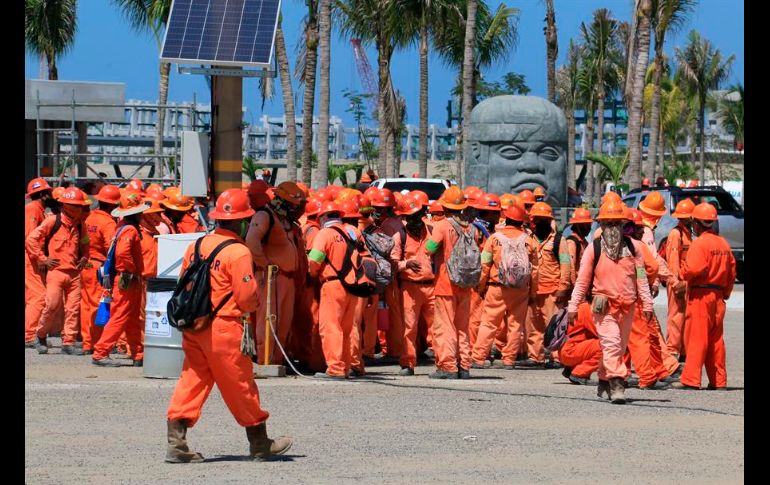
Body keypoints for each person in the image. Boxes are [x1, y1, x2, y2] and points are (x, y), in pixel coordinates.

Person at [165, 189, 292, 462]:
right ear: (243, 221)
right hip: (224, 328)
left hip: (194, 325)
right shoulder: (238, 251)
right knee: (241, 384)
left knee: (192, 380)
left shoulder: (197, 244)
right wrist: (253, 303)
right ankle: (260, 443)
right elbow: (246, 298)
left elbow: (184, 283)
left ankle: (176, 443)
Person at [567, 200, 654, 404]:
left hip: (628, 306)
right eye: (608, 223)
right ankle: (617, 385)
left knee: (619, 348)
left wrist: (647, 303)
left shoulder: (634, 248)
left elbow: (641, 277)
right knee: (612, 344)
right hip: (603, 307)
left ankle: (604, 379)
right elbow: (582, 281)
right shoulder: (593, 249)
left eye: (616, 223)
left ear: (623, 225)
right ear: (601, 225)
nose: (612, 227)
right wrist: (573, 306)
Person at [672, 202, 735, 390]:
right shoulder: (724, 244)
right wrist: (725, 293)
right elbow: (732, 273)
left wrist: (682, 273)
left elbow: (693, 268)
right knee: (716, 340)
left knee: (696, 338)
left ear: (697, 223)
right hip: (718, 296)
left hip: (701, 295)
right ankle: (719, 381)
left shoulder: (699, 244)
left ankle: (691, 380)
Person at [245, 181, 307, 366]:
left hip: (286, 278)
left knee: (283, 322)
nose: (297, 208)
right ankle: (265, 360)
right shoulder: (264, 216)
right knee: (268, 320)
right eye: (294, 204)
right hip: (271, 277)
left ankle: (277, 360)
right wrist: (265, 265)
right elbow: (252, 241)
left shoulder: (284, 219)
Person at [471, 202, 538, 369]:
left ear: (506, 219)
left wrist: (480, 286)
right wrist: (532, 294)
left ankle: (478, 358)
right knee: (516, 325)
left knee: (489, 323)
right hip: (521, 290)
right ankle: (509, 359)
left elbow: (484, 264)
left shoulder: (494, 239)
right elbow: (535, 271)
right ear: (521, 221)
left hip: (497, 288)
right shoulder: (530, 241)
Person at [26, 187, 90, 355]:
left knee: (72, 309)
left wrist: (85, 256)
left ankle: (68, 342)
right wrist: (42, 258)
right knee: (51, 306)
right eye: (78, 206)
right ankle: (40, 335)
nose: (81, 209)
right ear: (67, 206)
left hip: (74, 274)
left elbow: (85, 244)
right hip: (56, 273)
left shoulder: (80, 225)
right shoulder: (52, 221)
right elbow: (31, 240)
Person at [425, 186, 478, 379]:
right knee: (462, 327)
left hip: (446, 283)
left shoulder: (442, 226)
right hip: (465, 283)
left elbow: (429, 249)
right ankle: (464, 366)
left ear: (445, 206)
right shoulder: (471, 228)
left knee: (444, 326)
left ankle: (447, 366)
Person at [91, 193, 147, 367]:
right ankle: (100, 353)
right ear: (136, 213)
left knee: (131, 318)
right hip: (127, 280)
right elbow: (123, 253)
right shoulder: (130, 229)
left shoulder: (121, 226)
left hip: (126, 279)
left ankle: (138, 353)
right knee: (120, 317)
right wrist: (130, 271)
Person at [307, 202, 361, 379]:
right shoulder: (351, 232)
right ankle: (345, 367)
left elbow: (314, 260)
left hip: (332, 284)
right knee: (346, 329)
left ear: (323, 217)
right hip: (352, 286)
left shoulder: (325, 233)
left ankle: (335, 368)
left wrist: (312, 274)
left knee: (331, 327)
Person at [393, 196, 435, 376]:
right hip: (409, 288)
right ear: (405, 218)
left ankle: (444, 363)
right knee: (409, 328)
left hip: (433, 286)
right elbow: (392, 263)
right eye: (411, 216)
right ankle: (408, 363)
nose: (415, 219)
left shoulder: (433, 231)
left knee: (438, 327)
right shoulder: (399, 236)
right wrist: (406, 264)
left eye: (417, 215)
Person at [79, 185, 119, 354]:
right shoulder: (108, 222)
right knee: (99, 304)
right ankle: (97, 342)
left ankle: (87, 343)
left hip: (86, 265)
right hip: (99, 268)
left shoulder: (89, 217)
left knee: (86, 305)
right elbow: (111, 249)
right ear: (112, 205)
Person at [522, 202, 561, 368]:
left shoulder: (558, 240)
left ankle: (557, 357)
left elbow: (566, 265)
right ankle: (535, 356)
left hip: (552, 290)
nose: (541, 223)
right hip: (531, 290)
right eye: (538, 220)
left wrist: (564, 287)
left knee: (553, 325)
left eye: (544, 220)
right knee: (532, 326)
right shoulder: (527, 239)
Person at [367, 188, 405, 359]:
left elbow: (391, 254)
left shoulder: (388, 225)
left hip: (393, 274)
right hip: (398, 274)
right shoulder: (397, 223)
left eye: (378, 209)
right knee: (395, 314)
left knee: (394, 315)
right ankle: (395, 349)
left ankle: (395, 350)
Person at [25, 178, 55, 347]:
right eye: (49, 192)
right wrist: (40, 258)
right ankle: (30, 335)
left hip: (32, 257)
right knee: (38, 296)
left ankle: (31, 333)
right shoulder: (32, 209)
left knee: (34, 296)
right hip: (30, 258)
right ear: (43, 195)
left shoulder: (38, 210)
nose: (51, 195)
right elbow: (30, 238)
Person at [665, 199, 695, 360]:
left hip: (685, 282)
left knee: (684, 316)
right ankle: (672, 350)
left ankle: (683, 350)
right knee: (676, 317)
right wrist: (676, 283)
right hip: (677, 282)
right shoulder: (676, 234)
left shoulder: (687, 233)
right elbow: (673, 260)